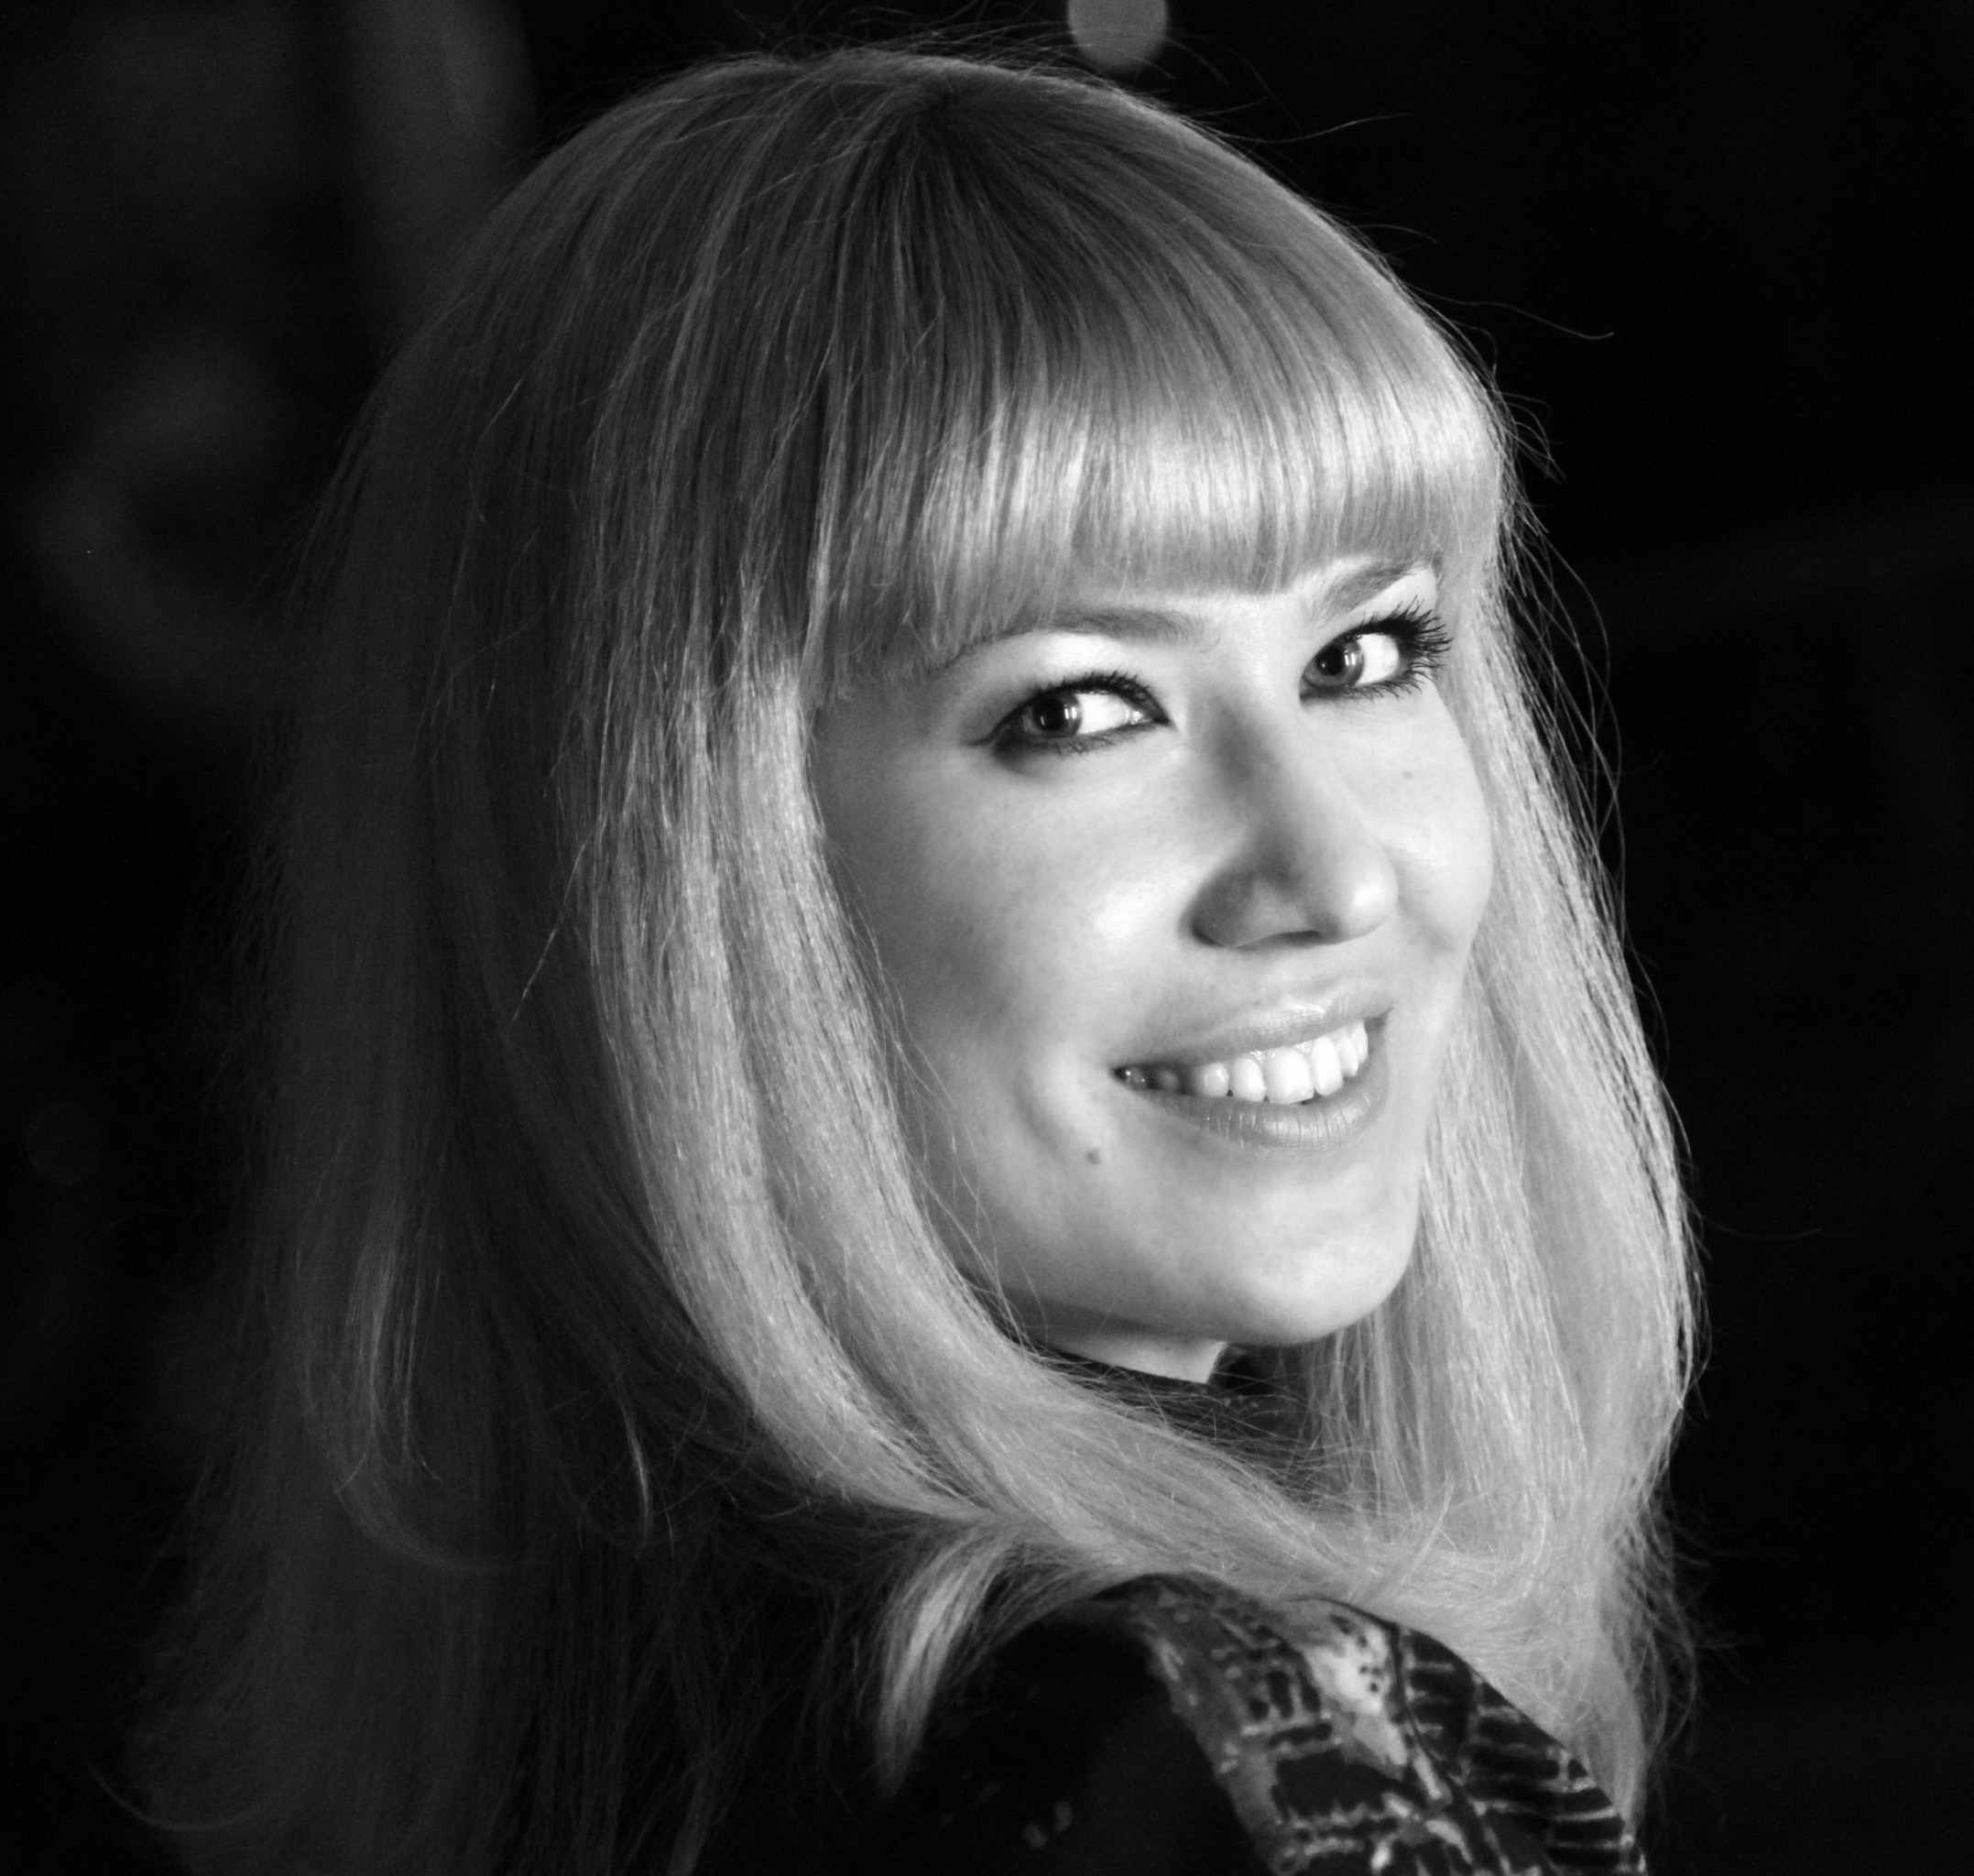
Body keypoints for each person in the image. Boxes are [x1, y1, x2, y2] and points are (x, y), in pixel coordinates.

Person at [141, 45, 1693, 1876]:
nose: (1337, 870)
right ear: (688, 876)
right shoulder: (1231, 1753)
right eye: (1079, 707)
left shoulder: (596, 1740)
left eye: (1364, 656)